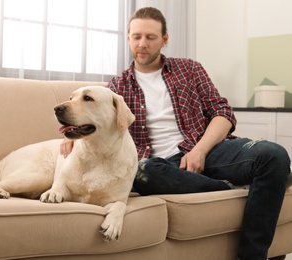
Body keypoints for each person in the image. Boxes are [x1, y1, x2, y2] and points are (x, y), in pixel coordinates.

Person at [61, 7, 291, 260]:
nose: (142, 44)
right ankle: (230, 186)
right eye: (136, 36)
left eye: (150, 37)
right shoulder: (117, 87)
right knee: (142, 172)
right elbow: (94, 120)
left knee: (274, 155)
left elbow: (222, 113)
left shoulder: (189, 70)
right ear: (128, 38)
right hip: (157, 165)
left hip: (208, 149)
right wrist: (71, 135)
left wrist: (199, 150)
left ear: (165, 39)